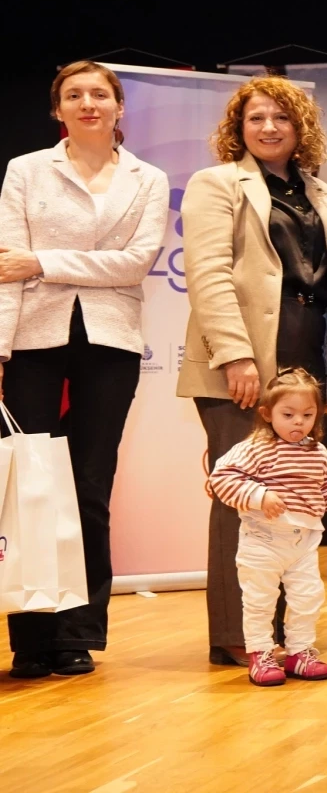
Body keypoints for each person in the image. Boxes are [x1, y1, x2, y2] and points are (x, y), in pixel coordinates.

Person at [0, 61, 168, 679]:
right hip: (31, 343)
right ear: (58, 110)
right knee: (30, 492)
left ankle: (76, 633)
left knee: (90, 489)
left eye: (100, 94)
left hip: (110, 343)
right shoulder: (25, 170)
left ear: (120, 106)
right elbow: (3, 269)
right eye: (75, 95)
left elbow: (133, 264)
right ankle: (31, 639)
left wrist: (40, 260)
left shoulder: (148, 178)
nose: (88, 103)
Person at [178, 74, 327, 668]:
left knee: (295, 494)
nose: (270, 128)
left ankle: (287, 637)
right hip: (241, 360)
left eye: (282, 118)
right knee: (243, 498)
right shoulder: (216, 183)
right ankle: (238, 637)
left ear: (301, 129)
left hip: (307, 362)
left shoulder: (322, 193)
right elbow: (209, 273)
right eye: (256, 119)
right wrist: (236, 355)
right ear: (238, 129)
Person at [207, 368, 327, 686]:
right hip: (262, 540)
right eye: (288, 414)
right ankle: (261, 653)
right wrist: (258, 495)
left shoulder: (317, 452)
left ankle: (300, 652)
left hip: (303, 543)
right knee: (259, 599)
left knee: (307, 597)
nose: (298, 422)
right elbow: (220, 478)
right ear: (267, 414)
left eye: (307, 415)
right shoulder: (254, 448)